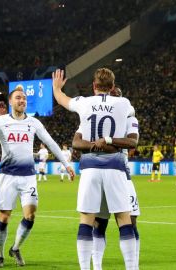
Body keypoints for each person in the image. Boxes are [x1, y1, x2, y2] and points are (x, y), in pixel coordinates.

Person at [0, 85, 75, 267]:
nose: (22, 100)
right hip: (8, 176)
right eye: (18, 98)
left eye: (24, 98)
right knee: (4, 217)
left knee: (30, 216)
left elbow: (51, 143)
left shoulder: (34, 122)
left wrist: (67, 164)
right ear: (10, 101)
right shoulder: (0, 121)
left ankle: (15, 248)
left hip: (28, 176)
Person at [52, 68, 137, 270]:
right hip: (115, 166)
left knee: (87, 220)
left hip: (90, 167)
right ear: (113, 87)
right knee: (124, 219)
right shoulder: (124, 103)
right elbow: (131, 132)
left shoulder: (84, 102)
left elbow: (62, 99)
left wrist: (56, 88)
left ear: (94, 86)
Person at [72, 86, 141, 270]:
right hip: (105, 169)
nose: (114, 98)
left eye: (117, 95)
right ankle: (98, 266)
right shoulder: (97, 112)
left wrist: (109, 141)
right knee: (99, 223)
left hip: (122, 175)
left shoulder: (130, 118)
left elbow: (133, 142)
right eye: (112, 95)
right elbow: (77, 141)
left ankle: (134, 266)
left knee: (130, 221)